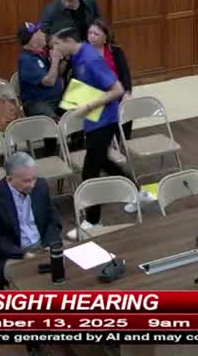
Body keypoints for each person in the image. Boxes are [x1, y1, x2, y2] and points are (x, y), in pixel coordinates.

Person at [48, 27, 130, 240]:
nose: (53, 49)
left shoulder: (90, 59)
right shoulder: (77, 56)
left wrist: (89, 105)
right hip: (94, 120)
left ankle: (93, 221)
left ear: (68, 41)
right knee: (103, 161)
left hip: (105, 120)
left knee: (89, 171)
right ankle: (136, 191)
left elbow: (117, 89)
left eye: (56, 44)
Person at [0, 152, 62, 291]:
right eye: (26, 181)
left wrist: (50, 243)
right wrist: (23, 254)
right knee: (31, 285)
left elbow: (53, 220)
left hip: (43, 245)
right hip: (10, 254)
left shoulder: (40, 186)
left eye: (34, 178)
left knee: (70, 267)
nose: (32, 185)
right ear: (9, 179)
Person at [87, 19, 133, 140]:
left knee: (126, 106)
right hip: (94, 95)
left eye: (96, 34)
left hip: (115, 92)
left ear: (105, 38)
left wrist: (127, 92)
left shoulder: (115, 50)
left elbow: (124, 74)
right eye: (90, 33)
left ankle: (123, 142)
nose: (91, 36)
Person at [17, 22, 65, 118]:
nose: (43, 33)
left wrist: (65, 58)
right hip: (37, 103)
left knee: (79, 112)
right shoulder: (26, 60)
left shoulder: (42, 53)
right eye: (38, 31)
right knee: (52, 122)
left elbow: (58, 74)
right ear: (32, 40)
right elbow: (49, 81)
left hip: (57, 100)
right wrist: (55, 60)